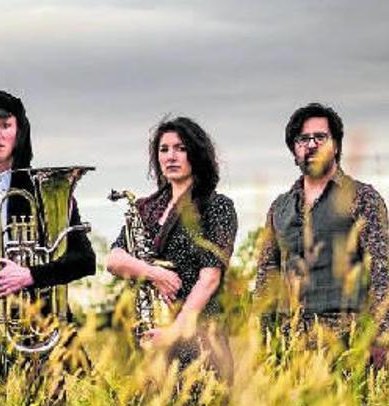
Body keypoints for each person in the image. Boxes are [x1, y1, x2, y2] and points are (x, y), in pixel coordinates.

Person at [0, 90, 95, 335]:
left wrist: (29, 275)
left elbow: (84, 261)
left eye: (5, 125)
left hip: (40, 325)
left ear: (20, 131)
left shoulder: (46, 188)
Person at [254, 103, 389, 366]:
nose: (312, 145)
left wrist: (382, 339)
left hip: (348, 344)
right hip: (289, 347)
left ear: (336, 145)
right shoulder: (279, 208)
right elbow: (266, 278)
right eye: (303, 139)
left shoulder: (362, 197)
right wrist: (262, 342)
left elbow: (382, 272)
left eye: (320, 137)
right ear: (294, 150)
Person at [105, 117, 237, 379]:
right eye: (164, 149)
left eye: (181, 148)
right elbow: (114, 260)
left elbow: (210, 279)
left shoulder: (217, 206)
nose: (171, 156)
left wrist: (175, 332)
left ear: (196, 154)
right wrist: (154, 273)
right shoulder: (145, 208)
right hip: (149, 337)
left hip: (197, 339)